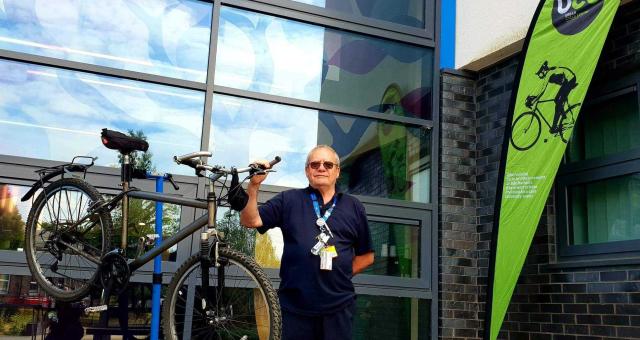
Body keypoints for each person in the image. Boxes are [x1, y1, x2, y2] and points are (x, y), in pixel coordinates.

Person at [240, 145, 375, 340]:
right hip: (294, 310)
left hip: (338, 310)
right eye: (315, 164)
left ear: (337, 171)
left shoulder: (354, 206)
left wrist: (341, 274)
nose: (321, 168)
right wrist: (254, 185)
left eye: (328, 164)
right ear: (307, 171)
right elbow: (250, 221)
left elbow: (367, 257)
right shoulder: (289, 200)